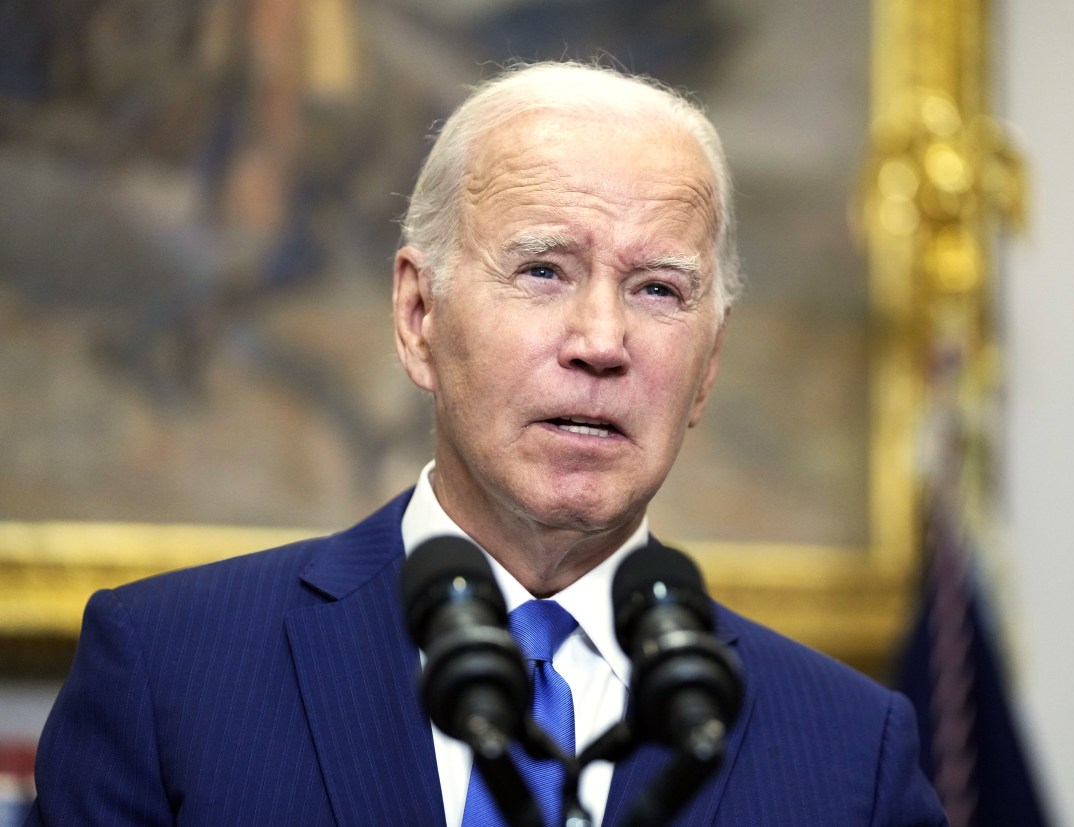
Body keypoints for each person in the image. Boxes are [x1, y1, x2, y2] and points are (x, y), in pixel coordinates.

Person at [24, 62, 946, 826]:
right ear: (419, 314)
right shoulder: (168, 672)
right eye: (543, 270)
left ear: (708, 366)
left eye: (659, 289)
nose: (601, 340)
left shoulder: (852, 754)